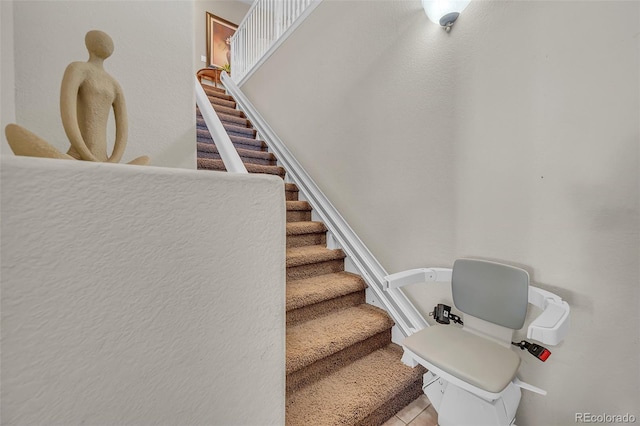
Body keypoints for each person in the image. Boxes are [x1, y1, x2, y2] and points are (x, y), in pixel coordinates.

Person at [5, 30, 149, 165]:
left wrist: (113, 161)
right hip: (78, 156)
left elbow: (123, 129)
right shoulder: (78, 69)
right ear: (89, 44)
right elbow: (68, 115)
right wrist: (86, 155)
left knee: (145, 160)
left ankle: (99, 170)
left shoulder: (114, 84)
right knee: (17, 134)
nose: (107, 42)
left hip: (104, 160)